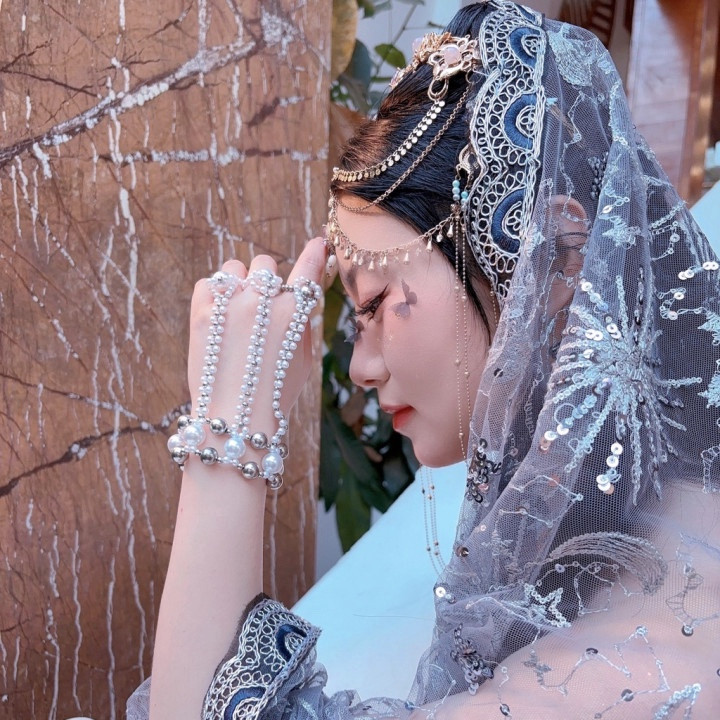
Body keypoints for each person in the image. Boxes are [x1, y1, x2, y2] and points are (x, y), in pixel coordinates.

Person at [128, 1, 720, 718]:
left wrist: (229, 432)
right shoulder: (654, 529)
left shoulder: (621, 669)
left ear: (557, 257)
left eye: (376, 301)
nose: (361, 368)